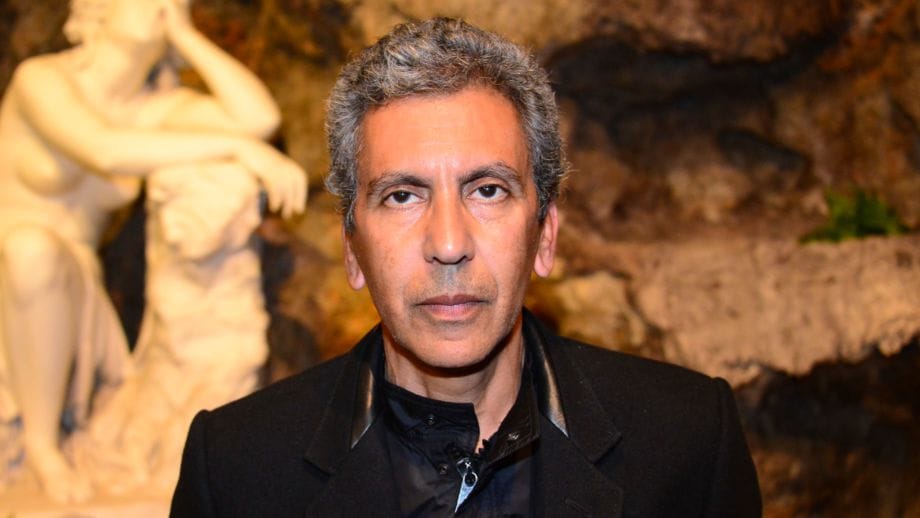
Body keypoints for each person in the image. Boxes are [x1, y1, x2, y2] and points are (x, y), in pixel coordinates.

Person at [171, 17, 761, 517]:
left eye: (487, 190)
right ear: (352, 249)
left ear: (545, 235)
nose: (449, 244)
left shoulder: (688, 442)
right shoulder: (234, 470)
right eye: (403, 195)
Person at [0, 0, 305, 503]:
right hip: (12, 269)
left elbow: (259, 118)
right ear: (94, 11)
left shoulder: (155, 109)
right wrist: (238, 149)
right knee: (31, 251)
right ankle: (41, 448)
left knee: (42, 256)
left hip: (73, 278)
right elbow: (104, 150)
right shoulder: (42, 79)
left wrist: (187, 38)